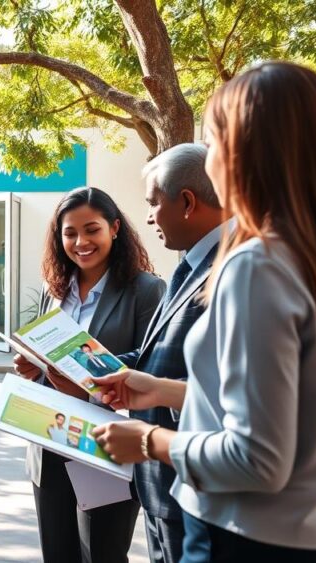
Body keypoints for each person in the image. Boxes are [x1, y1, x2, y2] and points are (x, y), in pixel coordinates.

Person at [91, 62, 316, 562]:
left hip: (242, 537)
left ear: (243, 156)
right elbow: (299, 409)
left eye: (213, 145)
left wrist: (149, 440)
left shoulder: (258, 266)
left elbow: (256, 459)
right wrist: (166, 390)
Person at [13, 186, 164, 563]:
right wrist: (30, 366)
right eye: (70, 233)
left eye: (91, 229)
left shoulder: (145, 289)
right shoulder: (56, 288)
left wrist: (87, 381)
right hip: (49, 438)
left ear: (114, 228)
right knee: (58, 554)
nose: (80, 242)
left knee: (103, 555)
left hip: (106, 443)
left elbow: (153, 361)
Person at [117, 142, 226, 563]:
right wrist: (85, 371)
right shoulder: (189, 265)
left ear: (186, 202)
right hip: (161, 488)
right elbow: (156, 356)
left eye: (153, 203)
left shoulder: (233, 268)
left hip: (194, 484)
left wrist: (152, 428)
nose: (147, 216)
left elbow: (229, 386)